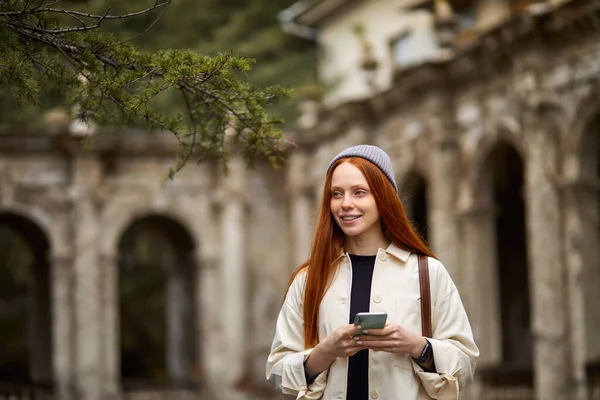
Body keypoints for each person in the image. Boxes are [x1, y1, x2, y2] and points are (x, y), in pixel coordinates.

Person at [266, 145, 479, 400]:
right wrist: (326, 350)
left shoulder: (427, 272)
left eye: (359, 192)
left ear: (383, 197)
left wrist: (416, 345)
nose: (346, 204)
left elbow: (465, 365)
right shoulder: (309, 280)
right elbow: (277, 372)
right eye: (336, 194)